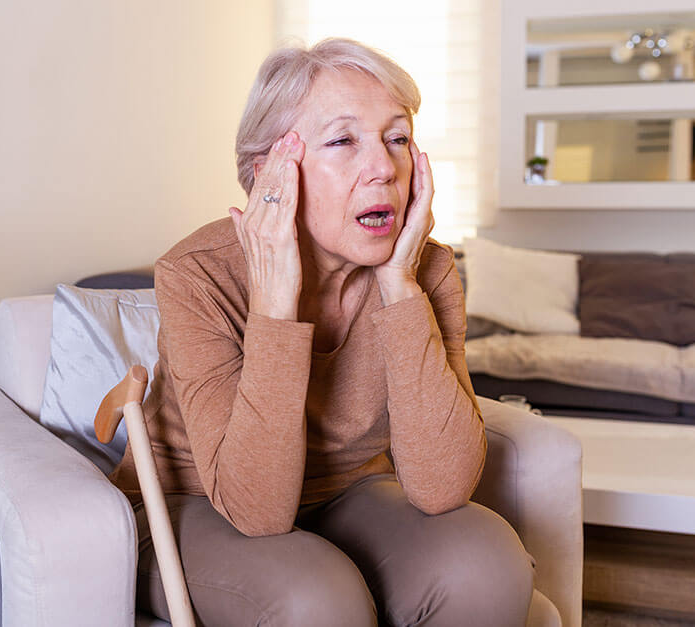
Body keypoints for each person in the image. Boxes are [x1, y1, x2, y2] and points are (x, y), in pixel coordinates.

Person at [110, 38, 534, 626]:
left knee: (487, 563)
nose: (385, 168)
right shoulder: (197, 273)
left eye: (397, 138)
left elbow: (443, 488)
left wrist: (400, 287)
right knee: (317, 598)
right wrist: (276, 305)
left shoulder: (426, 270)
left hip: (347, 494)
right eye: (343, 140)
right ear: (270, 175)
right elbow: (255, 511)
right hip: (192, 503)